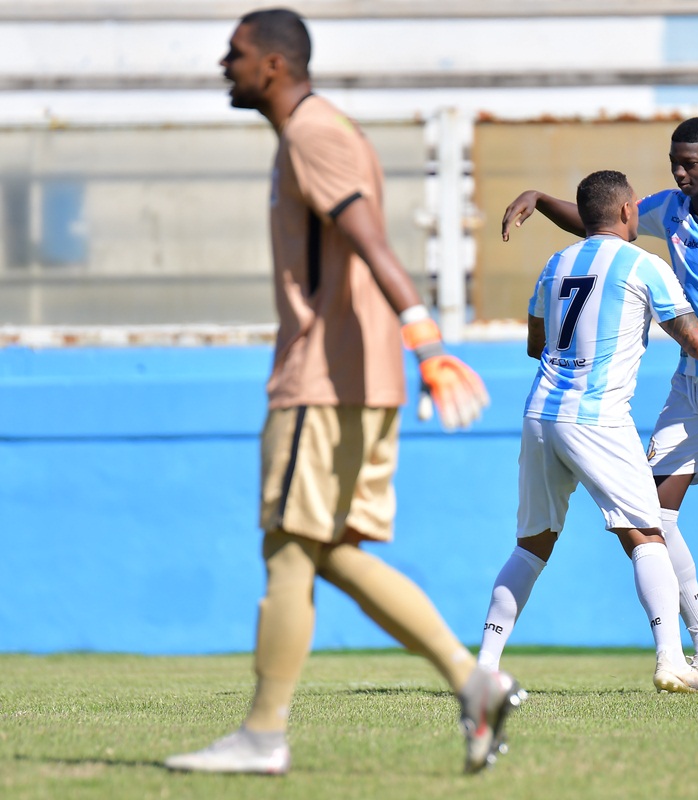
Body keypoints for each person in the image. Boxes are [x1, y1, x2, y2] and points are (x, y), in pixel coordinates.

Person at [165, 8, 521, 775]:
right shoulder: (329, 131)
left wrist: (427, 340)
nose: (223, 66)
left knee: (289, 547)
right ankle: (474, 682)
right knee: (329, 550)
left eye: (235, 55)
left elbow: (367, 239)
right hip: (358, 378)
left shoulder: (312, 134)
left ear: (273, 65)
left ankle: (263, 736)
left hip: (323, 380)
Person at [500, 117, 698, 694]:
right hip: (689, 383)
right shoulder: (666, 209)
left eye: (690, 163)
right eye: (674, 160)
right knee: (652, 514)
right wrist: (542, 199)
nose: (679, 170)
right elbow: (600, 224)